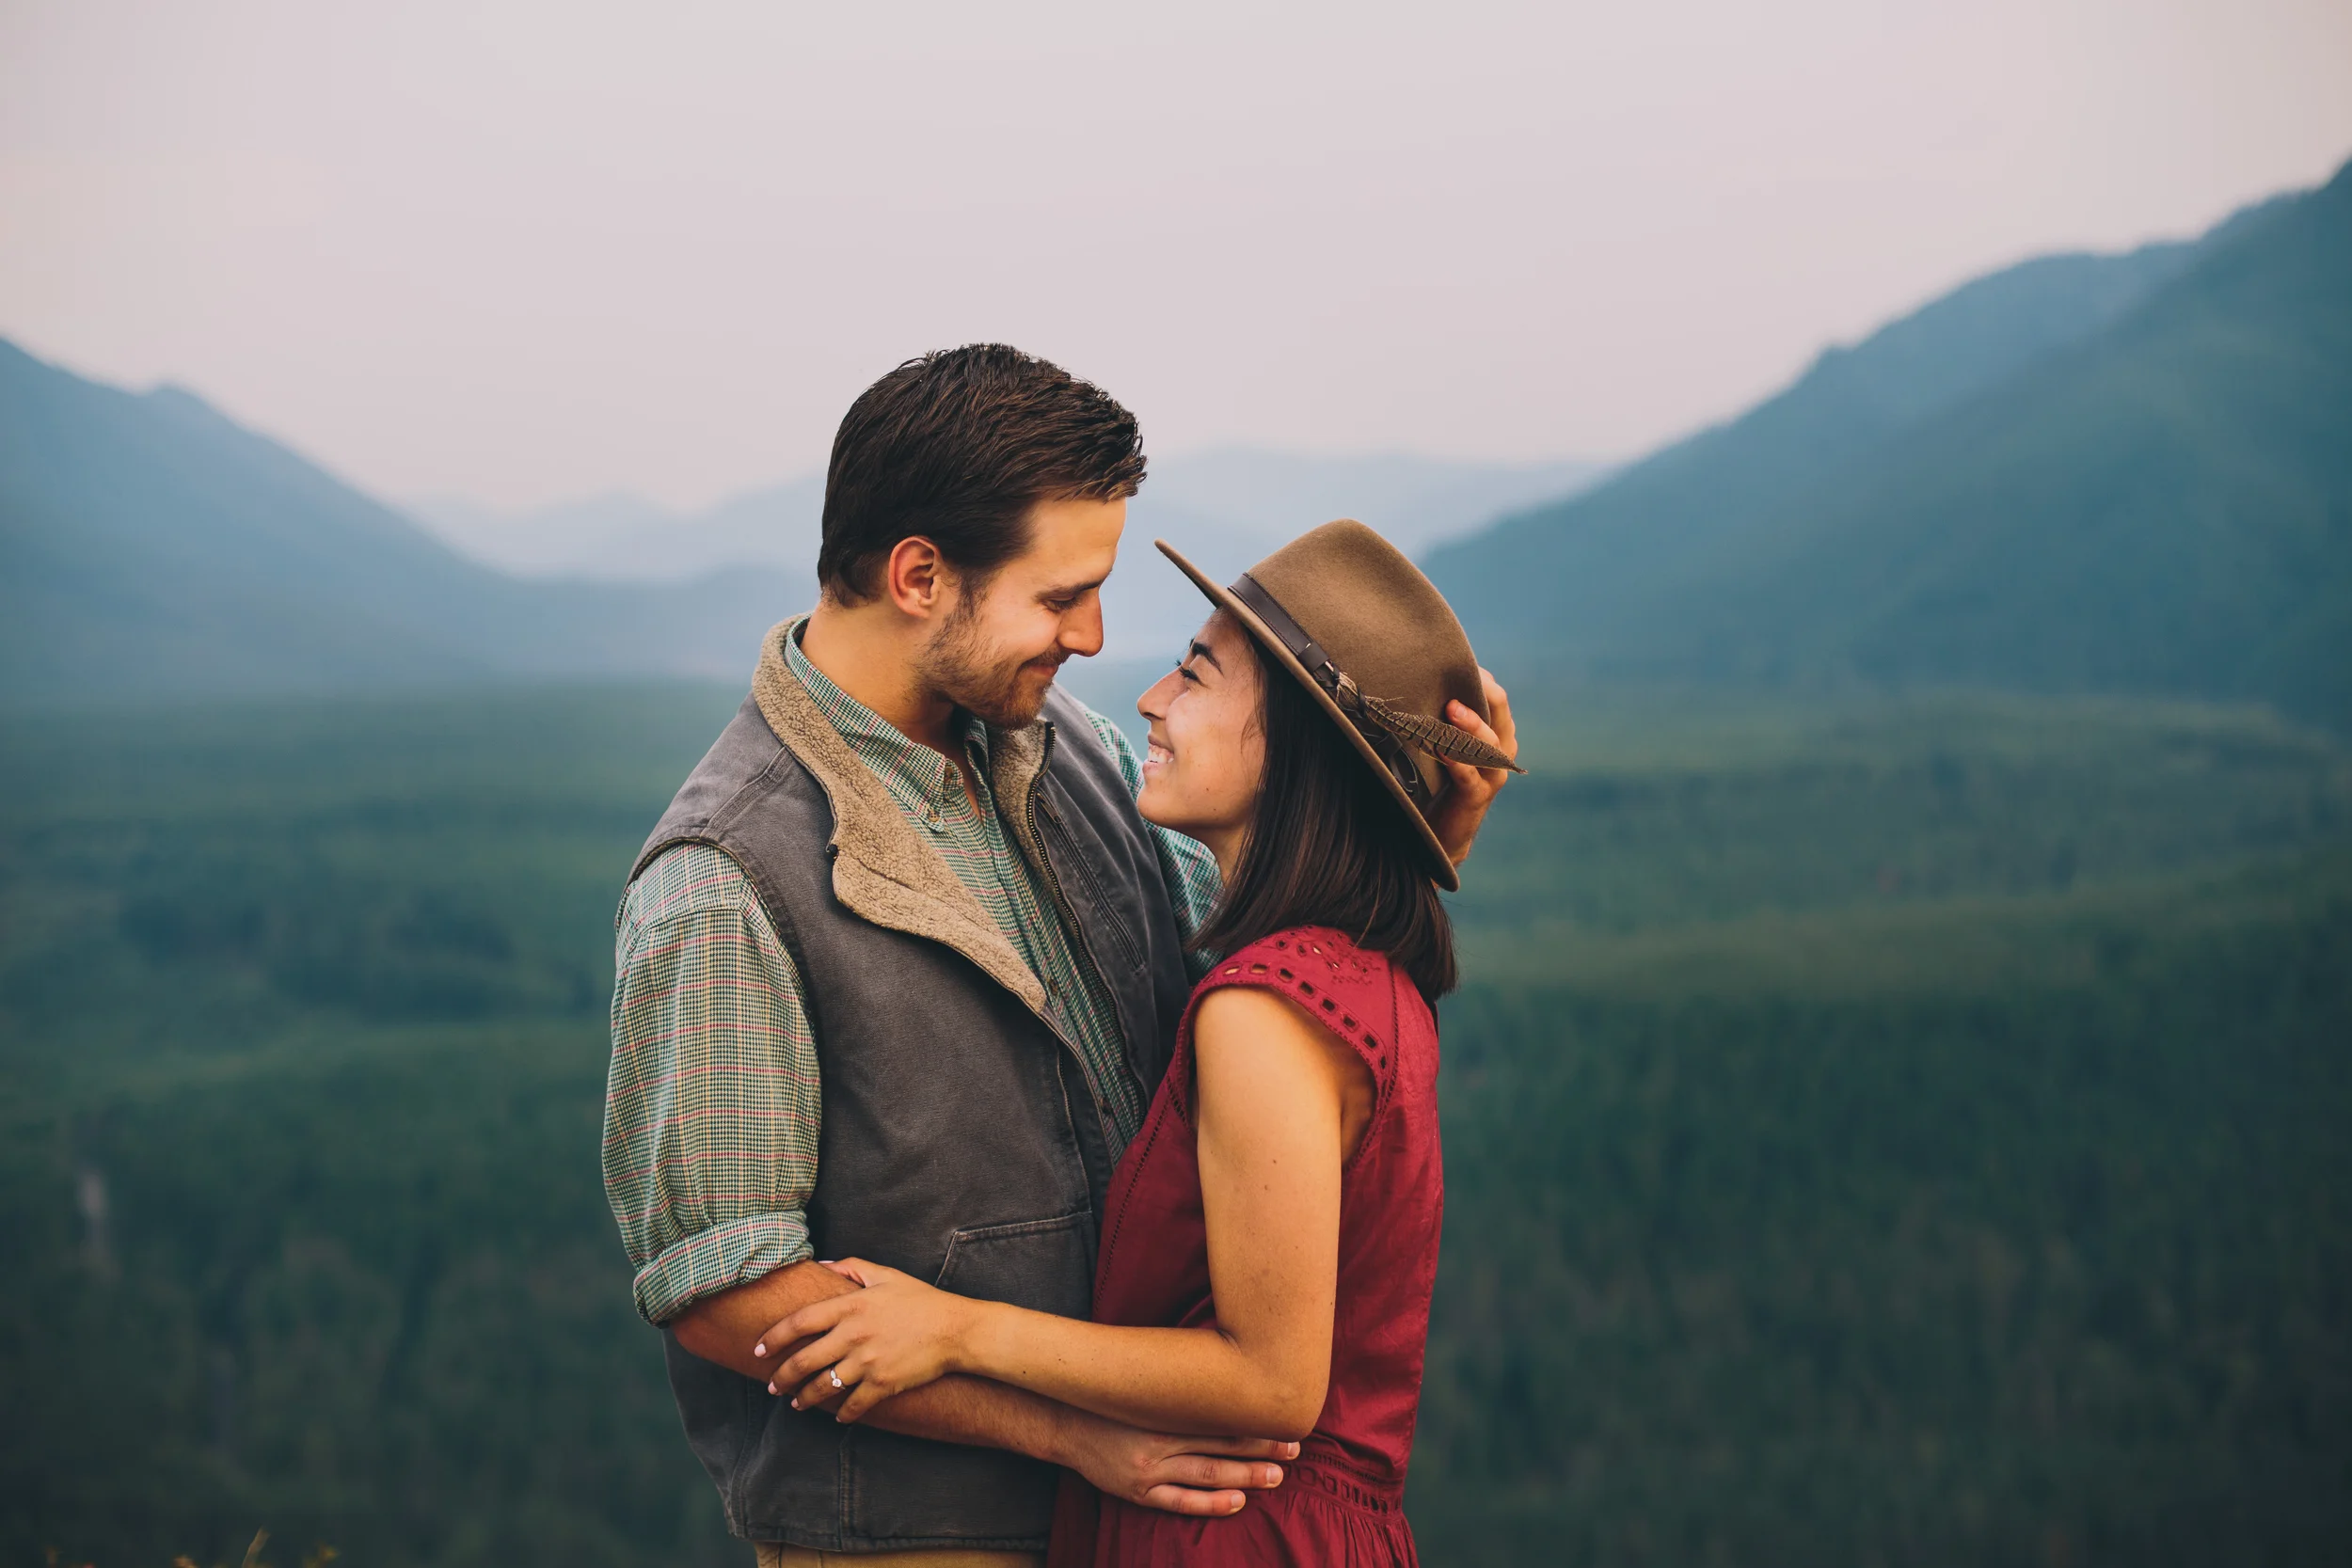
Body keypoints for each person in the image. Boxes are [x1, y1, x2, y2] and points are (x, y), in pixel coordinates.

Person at [602, 345, 1517, 1565]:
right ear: (919, 575)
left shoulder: (1067, 747)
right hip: (927, 1542)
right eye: (1060, 594)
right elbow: (727, 1291)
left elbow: (1281, 964)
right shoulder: (725, 875)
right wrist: (1070, 1431)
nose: (1093, 637)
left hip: (1146, 1519)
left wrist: (1400, 831)